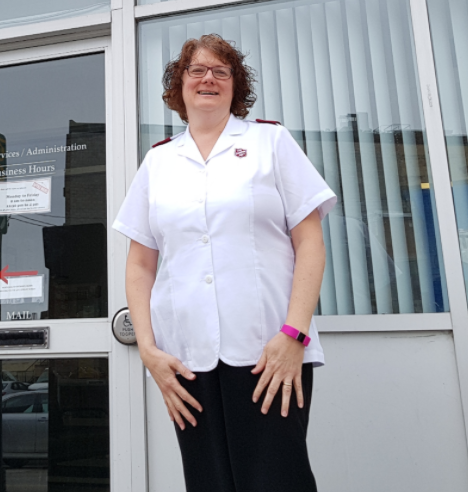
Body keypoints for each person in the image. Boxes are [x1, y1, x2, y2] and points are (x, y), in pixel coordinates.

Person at [113, 34, 337, 492]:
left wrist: (293, 333)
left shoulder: (270, 142)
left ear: (237, 85)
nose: (208, 79)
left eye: (221, 71)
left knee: (278, 480)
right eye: (197, 70)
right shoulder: (158, 162)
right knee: (208, 481)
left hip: (269, 354)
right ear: (180, 84)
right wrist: (151, 353)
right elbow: (139, 265)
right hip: (187, 360)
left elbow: (310, 242)